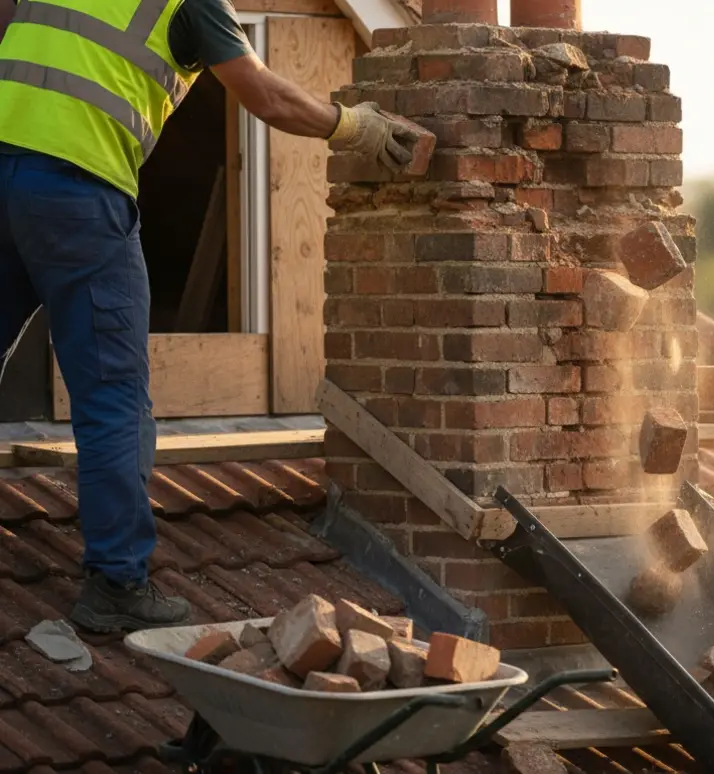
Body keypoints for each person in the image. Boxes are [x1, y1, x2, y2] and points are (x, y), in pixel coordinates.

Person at [0, 0, 419, 631]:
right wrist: (350, 127)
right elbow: (266, 96)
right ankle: (116, 586)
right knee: (112, 395)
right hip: (78, 193)